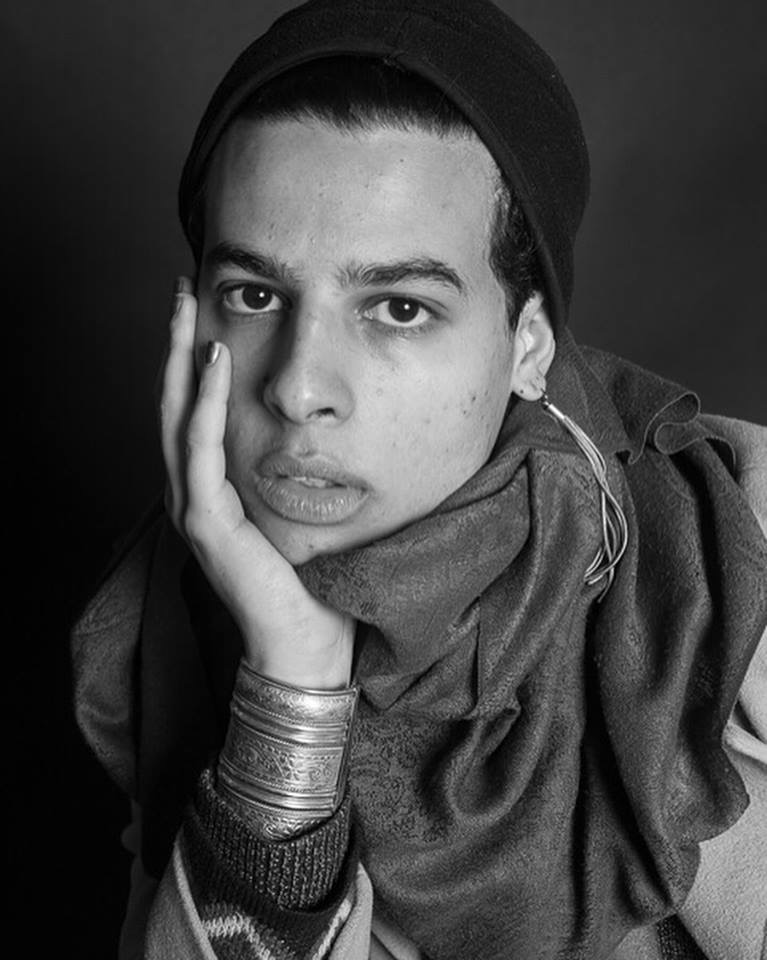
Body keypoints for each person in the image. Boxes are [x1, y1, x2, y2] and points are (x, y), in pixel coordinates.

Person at [71, 0, 767, 958]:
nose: (299, 389)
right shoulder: (178, 629)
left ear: (527, 346)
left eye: (398, 308)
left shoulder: (735, 547)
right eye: (255, 295)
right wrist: (292, 690)